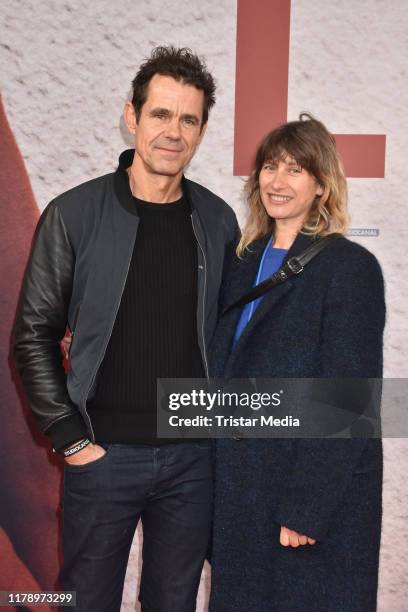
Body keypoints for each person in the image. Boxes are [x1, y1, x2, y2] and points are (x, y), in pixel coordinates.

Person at [13, 45, 238, 612]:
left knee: (173, 603)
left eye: (189, 119)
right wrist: (70, 437)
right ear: (132, 116)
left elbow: (231, 335)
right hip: (102, 454)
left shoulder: (216, 220)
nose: (174, 131)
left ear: (203, 130)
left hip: (190, 462)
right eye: (161, 114)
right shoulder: (74, 214)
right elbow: (33, 334)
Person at [209, 114, 385, 611]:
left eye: (295, 170)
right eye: (270, 167)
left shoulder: (349, 269)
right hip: (239, 494)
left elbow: (350, 399)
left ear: (322, 186)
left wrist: (308, 508)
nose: (277, 182)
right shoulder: (240, 262)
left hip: (303, 501)